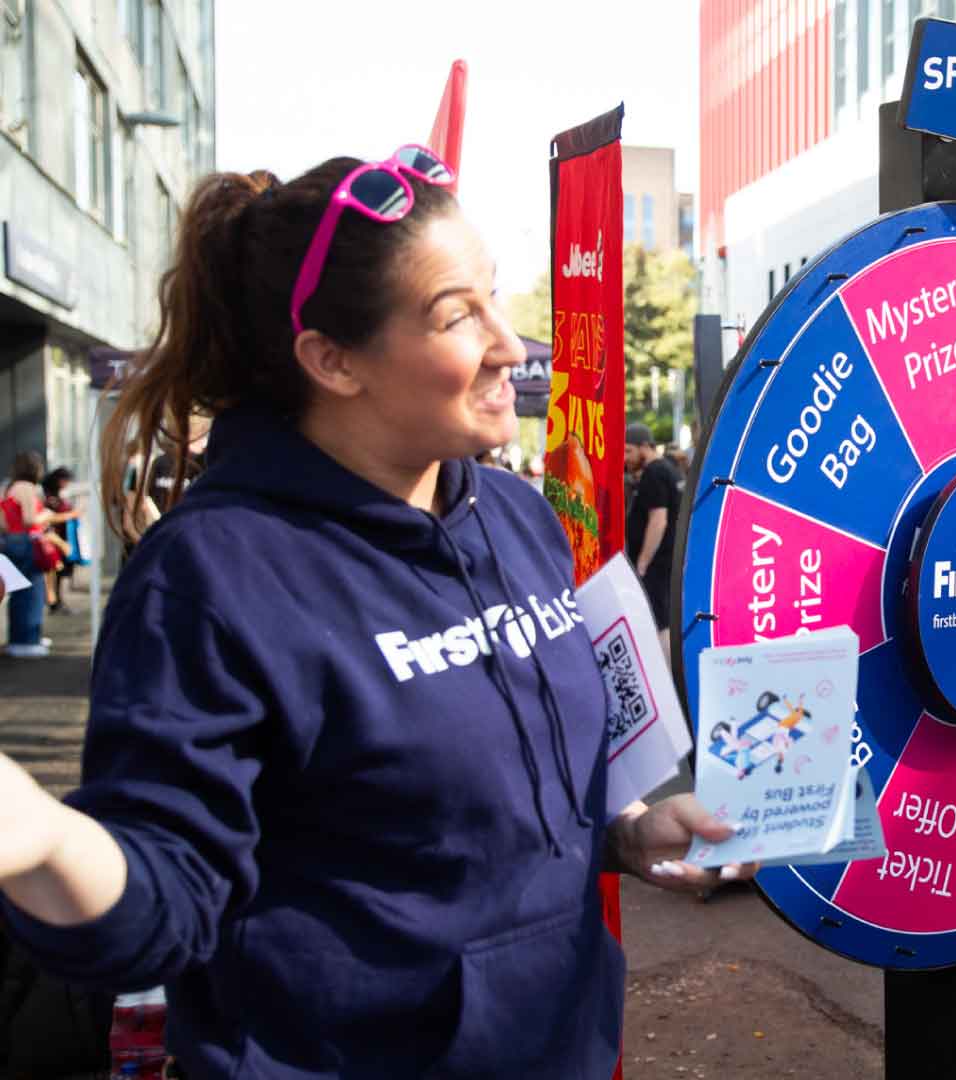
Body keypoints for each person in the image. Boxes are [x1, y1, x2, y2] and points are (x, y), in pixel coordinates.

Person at [0, 150, 749, 1079]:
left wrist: (628, 830)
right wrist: (33, 836)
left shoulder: (519, 521)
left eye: (493, 297)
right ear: (332, 359)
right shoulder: (207, 579)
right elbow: (162, 910)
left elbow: (493, 793)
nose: (510, 346)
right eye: (456, 315)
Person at [624, 423, 683, 646]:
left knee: (660, 623)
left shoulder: (654, 473)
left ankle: (667, 676)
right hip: (667, 559)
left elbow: (658, 520)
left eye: (629, 450)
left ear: (644, 447)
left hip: (657, 562)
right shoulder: (669, 468)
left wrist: (642, 563)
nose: (625, 457)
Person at [2, 452, 53, 658]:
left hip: (10, 541)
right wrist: (47, 515)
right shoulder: (28, 489)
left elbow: (3, 521)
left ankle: (19, 639)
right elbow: (30, 519)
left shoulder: (8, 488)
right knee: (32, 591)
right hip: (26, 541)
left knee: (17, 592)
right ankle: (28, 641)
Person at [40, 467, 83, 614]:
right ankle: (53, 602)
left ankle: (56, 602)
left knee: (57, 574)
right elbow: (51, 517)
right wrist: (71, 514)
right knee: (52, 574)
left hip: (58, 538)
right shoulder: (48, 497)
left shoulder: (54, 495)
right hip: (53, 540)